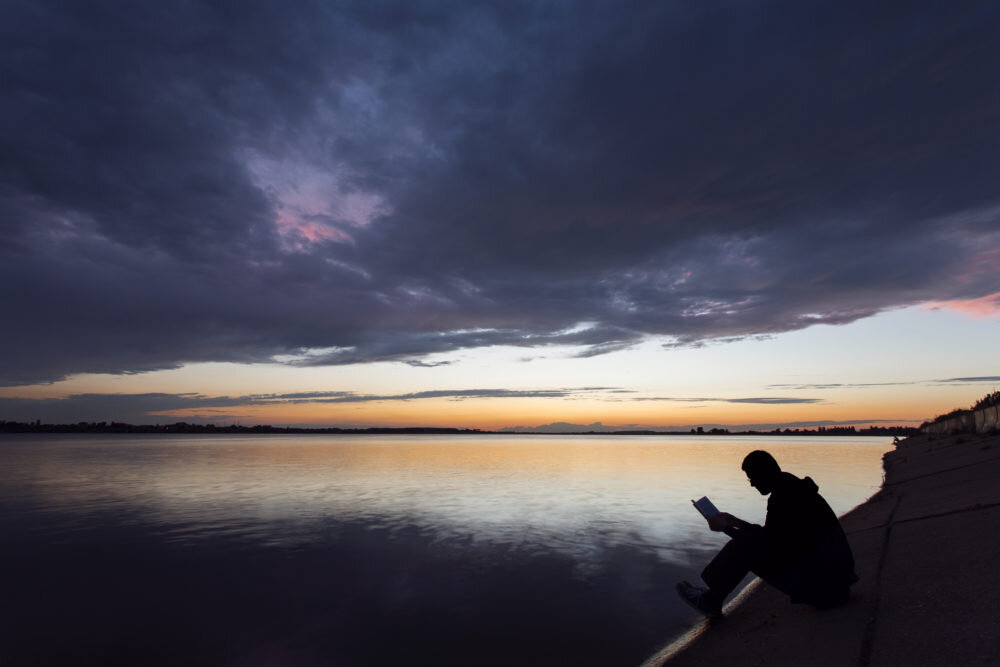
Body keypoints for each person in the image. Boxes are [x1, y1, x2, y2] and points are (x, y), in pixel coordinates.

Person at [677, 450, 858, 619]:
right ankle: (712, 596)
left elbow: (769, 545)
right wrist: (736, 522)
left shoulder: (783, 498)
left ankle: (710, 601)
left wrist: (725, 528)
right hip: (839, 585)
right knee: (746, 543)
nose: (752, 484)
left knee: (742, 548)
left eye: (753, 478)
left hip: (823, 591)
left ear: (765, 473)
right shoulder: (792, 486)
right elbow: (775, 536)